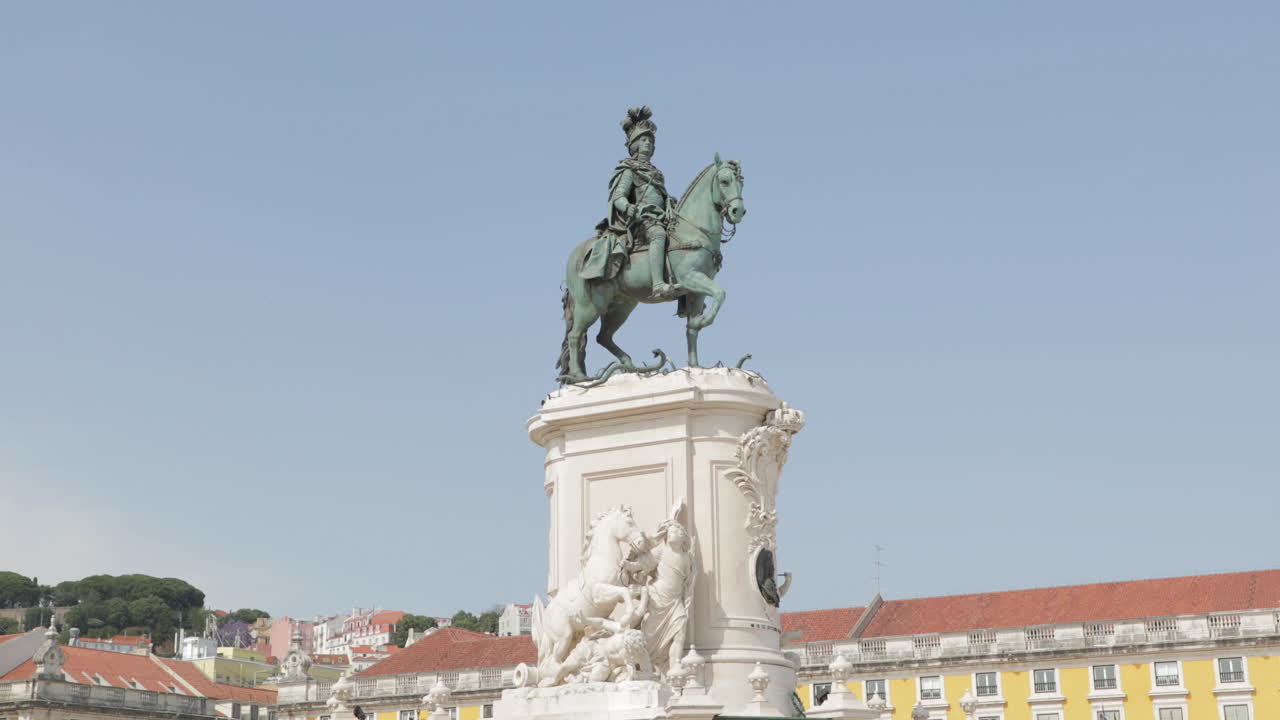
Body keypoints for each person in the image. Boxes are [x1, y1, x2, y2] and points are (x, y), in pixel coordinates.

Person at [608, 106, 681, 299]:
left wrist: (670, 202)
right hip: (642, 219)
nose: (647, 143)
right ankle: (658, 284)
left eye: (650, 140)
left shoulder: (656, 172)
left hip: (661, 216)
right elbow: (618, 197)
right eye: (643, 140)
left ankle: (684, 297)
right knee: (658, 234)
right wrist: (630, 207)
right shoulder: (629, 169)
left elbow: (660, 196)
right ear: (635, 144)